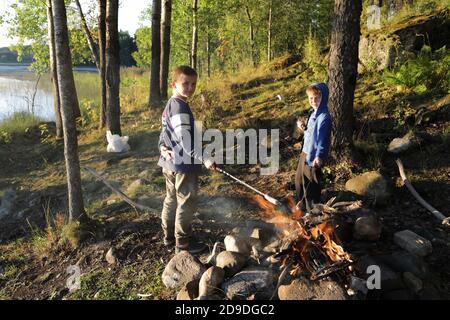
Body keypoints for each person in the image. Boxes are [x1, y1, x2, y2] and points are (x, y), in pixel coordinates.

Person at [158, 65, 216, 254]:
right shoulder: (180, 107)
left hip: (169, 163)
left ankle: (168, 238)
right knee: (186, 202)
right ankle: (182, 245)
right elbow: (186, 142)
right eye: (185, 84)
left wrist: (161, 147)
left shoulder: (170, 105)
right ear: (174, 84)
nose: (190, 88)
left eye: (193, 84)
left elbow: (164, 133)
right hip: (183, 165)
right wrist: (205, 158)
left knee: (171, 200)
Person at [295, 82, 332, 212]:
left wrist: (319, 155)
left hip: (313, 157)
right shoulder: (313, 113)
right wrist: (303, 127)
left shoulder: (324, 117)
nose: (313, 101)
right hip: (305, 153)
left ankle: (313, 212)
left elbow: (323, 138)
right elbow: (311, 133)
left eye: (317, 98)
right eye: (311, 98)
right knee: (299, 182)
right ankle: (302, 208)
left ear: (324, 98)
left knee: (311, 187)